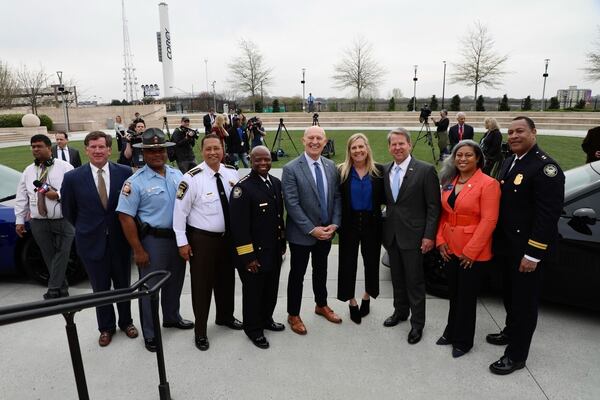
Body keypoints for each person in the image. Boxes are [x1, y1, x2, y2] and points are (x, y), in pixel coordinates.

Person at [487, 116, 565, 375]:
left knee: (524, 304)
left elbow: (548, 216)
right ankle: (510, 331)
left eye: (520, 131)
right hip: (509, 247)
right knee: (510, 296)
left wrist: (533, 253)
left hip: (526, 251)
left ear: (534, 132)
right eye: (510, 132)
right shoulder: (511, 161)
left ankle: (517, 355)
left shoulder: (545, 168)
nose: (513, 136)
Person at [116, 128, 193, 353]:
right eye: (151, 151)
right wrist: (138, 250)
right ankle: (150, 333)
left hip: (176, 238)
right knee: (149, 290)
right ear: (144, 154)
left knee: (175, 281)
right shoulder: (135, 182)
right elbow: (125, 217)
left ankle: (171, 316)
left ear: (167, 152)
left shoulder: (177, 174)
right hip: (152, 241)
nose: (157, 154)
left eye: (161, 150)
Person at [61, 131, 139, 347]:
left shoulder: (124, 173)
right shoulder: (73, 178)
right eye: (93, 147)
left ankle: (126, 322)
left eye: (101, 147)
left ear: (108, 149)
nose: (97, 151)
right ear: (86, 150)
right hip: (91, 242)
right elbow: (68, 210)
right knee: (100, 288)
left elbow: (132, 205)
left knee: (123, 285)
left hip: (120, 242)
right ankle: (106, 327)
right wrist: (87, 229)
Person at [172, 134, 242, 352]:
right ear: (202, 151)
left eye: (217, 148)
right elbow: (179, 214)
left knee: (226, 280)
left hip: (227, 239)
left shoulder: (232, 173)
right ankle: (200, 331)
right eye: (208, 149)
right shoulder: (191, 178)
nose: (213, 152)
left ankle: (225, 316)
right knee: (202, 286)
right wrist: (182, 243)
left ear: (223, 150)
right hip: (202, 240)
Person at [435, 140, 501, 358]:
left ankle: (463, 341)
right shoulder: (449, 181)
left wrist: (471, 251)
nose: (462, 159)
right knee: (453, 294)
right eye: (459, 155)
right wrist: (439, 241)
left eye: (468, 155)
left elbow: (489, 220)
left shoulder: (488, 183)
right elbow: (444, 214)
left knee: (466, 298)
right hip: (450, 247)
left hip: (473, 252)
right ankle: (451, 331)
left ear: (478, 159)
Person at [282, 126, 342, 335]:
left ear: (325, 142)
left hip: (326, 232)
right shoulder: (291, 168)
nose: (315, 142)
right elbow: (292, 204)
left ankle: (321, 304)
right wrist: (311, 229)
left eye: (319, 138)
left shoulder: (331, 166)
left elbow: (336, 197)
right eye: (311, 138)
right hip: (301, 235)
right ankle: (293, 314)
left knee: (321, 270)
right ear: (303, 140)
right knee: (297, 274)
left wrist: (334, 224)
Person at [382, 128, 441, 344]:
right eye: (393, 144)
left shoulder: (425, 171)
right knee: (397, 279)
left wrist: (429, 236)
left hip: (415, 237)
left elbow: (434, 207)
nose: (397, 147)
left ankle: (417, 324)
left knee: (414, 282)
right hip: (392, 236)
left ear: (410, 145)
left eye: (401, 143)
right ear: (389, 148)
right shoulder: (385, 169)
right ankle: (400, 312)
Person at [229, 146, 286, 349]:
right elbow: (238, 228)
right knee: (253, 293)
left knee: (271, 289)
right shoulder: (242, 189)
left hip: (272, 250)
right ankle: (253, 329)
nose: (263, 163)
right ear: (250, 161)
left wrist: (282, 243)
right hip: (253, 255)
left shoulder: (275, 183)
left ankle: (266, 319)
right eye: (258, 160)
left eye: (267, 160)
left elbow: (279, 218)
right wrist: (248, 258)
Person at [14, 134, 75, 299]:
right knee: (48, 255)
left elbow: (74, 190)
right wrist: (19, 220)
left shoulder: (65, 167)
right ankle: (62, 288)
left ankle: (53, 288)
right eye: (33, 146)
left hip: (63, 219)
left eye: (39, 146)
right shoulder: (28, 171)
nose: (35, 149)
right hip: (38, 221)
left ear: (49, 147)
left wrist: (58, 195)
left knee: (62, 253)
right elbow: (21, 197)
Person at [337, 133, 384, 324]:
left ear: (367, 148)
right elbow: (336, 199)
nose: (358, 151)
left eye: (361, 147)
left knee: (371, 262)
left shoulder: (379, 171)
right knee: (348, 264)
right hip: (349, 223)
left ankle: (367, 296)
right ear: (349, 151)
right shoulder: (341, 171)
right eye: (353, 148)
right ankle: (352, 301)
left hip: (372, 223)